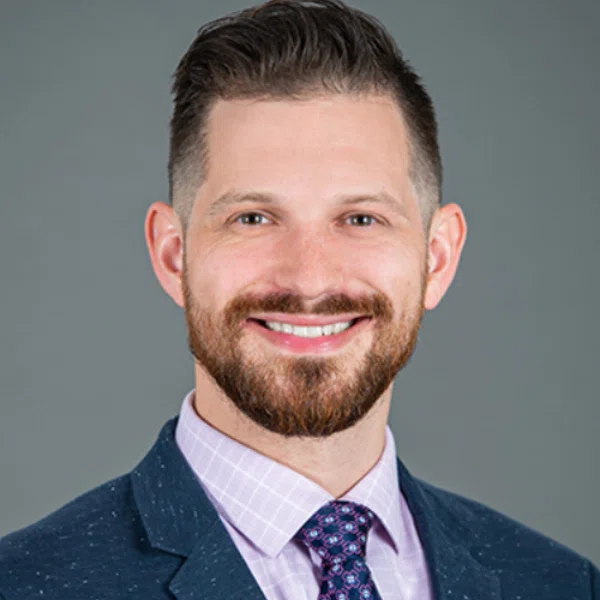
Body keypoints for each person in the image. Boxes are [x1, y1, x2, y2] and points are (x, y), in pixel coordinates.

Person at [1, 0, 598, 598]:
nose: (310, 279)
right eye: (253, 218)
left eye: (360, 219)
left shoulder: (563, 584)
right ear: (173, 254)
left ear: (436, 257)